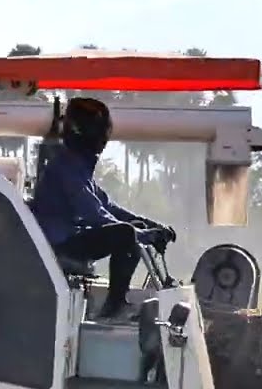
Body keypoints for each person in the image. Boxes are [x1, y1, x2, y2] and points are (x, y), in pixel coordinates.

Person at [29, 97, 176, 319]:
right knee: (126, 232)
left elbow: (107, 206)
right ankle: (114, 306)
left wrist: (150, 226)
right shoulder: (66, 167)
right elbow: (94, 214)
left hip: (70, 240)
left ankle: (118, 301)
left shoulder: (76, 166)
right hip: (58, 246)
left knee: (130, 228)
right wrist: (144, 234)